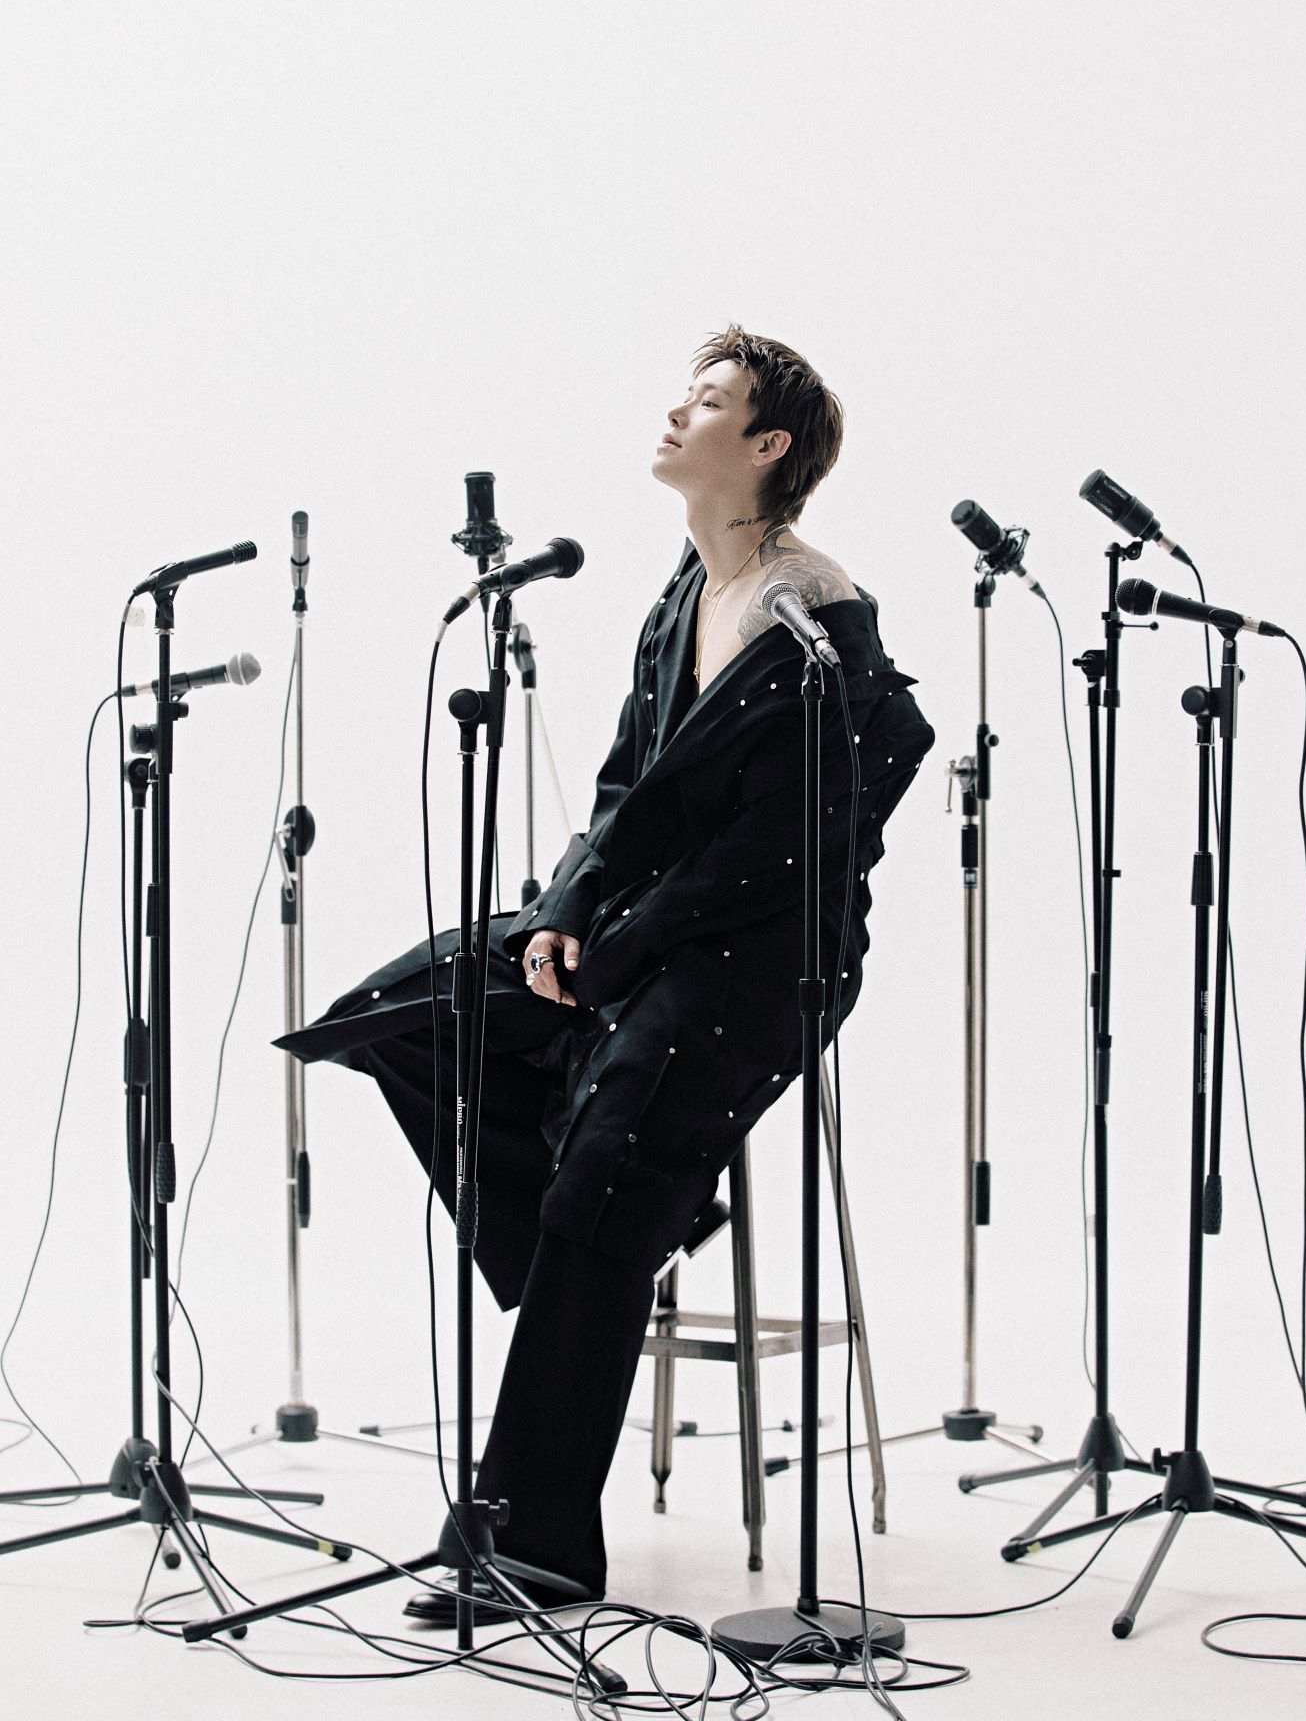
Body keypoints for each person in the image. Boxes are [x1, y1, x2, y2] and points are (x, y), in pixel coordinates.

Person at [278, 324, 934, 1622]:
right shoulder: (685, 590)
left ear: (767, 446)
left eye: (709, 402)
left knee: (604, 1183)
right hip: (646, 922)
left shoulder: (816, 614)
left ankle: (535, 1542)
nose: (676, 414)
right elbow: (628, 782)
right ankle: (632, 1212)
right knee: (410, 1013)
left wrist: (615, 950)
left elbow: (777, 849)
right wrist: (565, 912)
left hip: (759, 956)